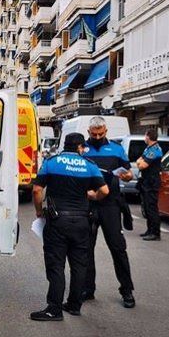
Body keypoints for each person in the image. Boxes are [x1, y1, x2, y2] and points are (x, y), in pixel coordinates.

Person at [30, 133, 109, 321]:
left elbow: (36, 190)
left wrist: (39, 211)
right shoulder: (89, 165)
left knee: (56, 265)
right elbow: (104, 190)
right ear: (81, 147)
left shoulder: (51, 162)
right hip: (82, 222)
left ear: (65, 145)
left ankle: (54, 309)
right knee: (79, 265)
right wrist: (92, 196)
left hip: (58, 221)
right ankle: (74, 305)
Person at [82, 116, 136, 309]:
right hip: (88, 204)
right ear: (89, 132)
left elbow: (128, 174)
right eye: (94, 134)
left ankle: (127, 290)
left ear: (106, 131)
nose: (97, 137)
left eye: (101, 133)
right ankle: (87, 289)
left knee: (118, 247)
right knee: (86, 249)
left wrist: (128, 175)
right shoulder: (82, 149)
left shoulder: (116, 148)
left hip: (111, 204)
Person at [136, 127, 163, 242]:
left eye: (145, 136)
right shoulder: (148, 148)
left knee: (151, 207)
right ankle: (149, 229)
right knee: (146, 206)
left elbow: (142, 165)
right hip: (146, 181)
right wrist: (140, 162)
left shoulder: (154, 150)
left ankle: (155, 233)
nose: (144, 138)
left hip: (152, 182)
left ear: (148, 137)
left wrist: (140, 162)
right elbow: (139, 160)